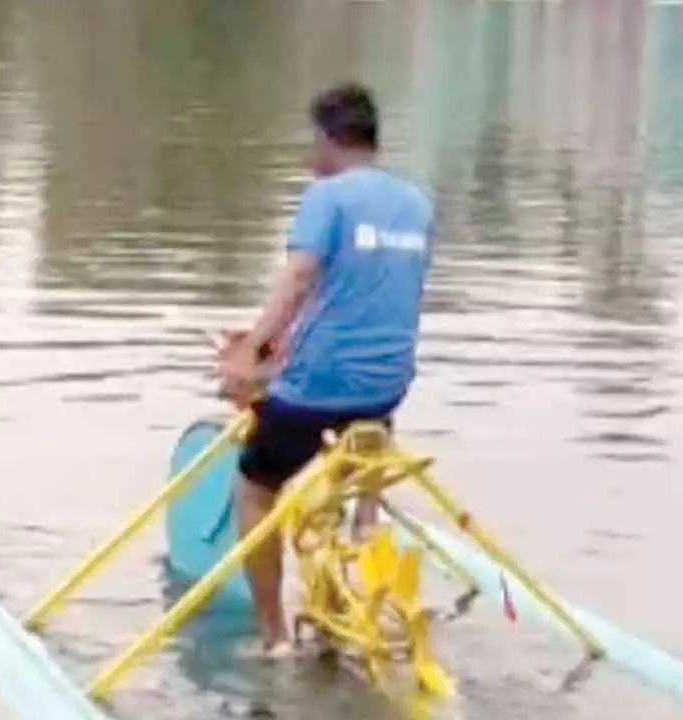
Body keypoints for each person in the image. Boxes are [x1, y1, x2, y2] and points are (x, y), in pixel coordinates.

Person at [217, 82, 435, 656]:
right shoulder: (417, 204)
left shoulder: (326, 197)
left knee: (255, 485)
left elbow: (298, 280)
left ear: (326, 138)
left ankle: (273, 637)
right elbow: (368, 298)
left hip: (321, 390)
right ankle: (358, 536)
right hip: (386, 391)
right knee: (344, 454)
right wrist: (277, 347)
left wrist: (252, 353)